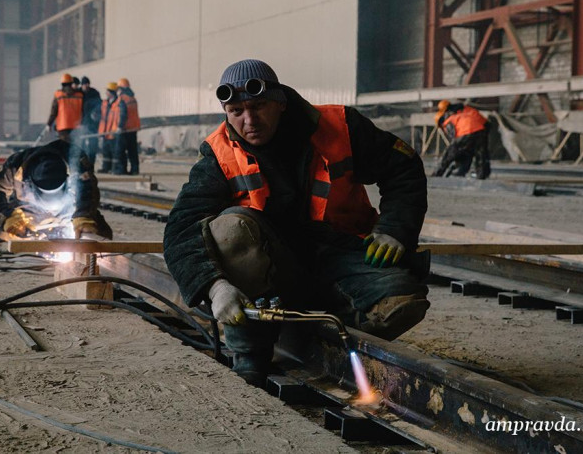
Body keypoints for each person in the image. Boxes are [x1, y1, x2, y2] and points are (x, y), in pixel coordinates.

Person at [162, 59, 430, 385]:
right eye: (236, 111)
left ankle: (319, 326)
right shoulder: (219, 154)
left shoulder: (340, 126)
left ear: (281, 102)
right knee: (230, 230)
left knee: (402, 302)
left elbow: (403, 167)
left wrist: (394, 230)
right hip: (273, 264)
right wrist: (215, 287)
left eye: (258, 107)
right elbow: (181, 228)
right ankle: (250, 353)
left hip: (339, 249)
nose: (249, 120)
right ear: (226, 113)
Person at [0, 138, 112, 241]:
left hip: (67, 212)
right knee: (1, 230)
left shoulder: (76, 163)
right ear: (30, 182)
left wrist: (83, 216)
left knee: (101, 232)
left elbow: (88, 190)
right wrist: (8, 216)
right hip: (30, 213)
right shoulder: (16, 166)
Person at [433, 100, 491, 179]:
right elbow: (486, 123)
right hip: (481, 130)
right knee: (480, 154)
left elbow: (454, 141)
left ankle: (437, 174)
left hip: (466, 131)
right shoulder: (464, 110)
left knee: (450, 153)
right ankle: (482, 175)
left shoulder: (448, 121)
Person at [112, 77, 140, 175]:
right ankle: (135, 169)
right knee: (132, 151)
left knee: (120, 151)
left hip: (124, 129)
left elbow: (123, 114)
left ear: (121, 89)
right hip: (133, 129)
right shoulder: (132, 98)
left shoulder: (122, 99)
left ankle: (121, 170)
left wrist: (119, 126)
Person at [46, 74, 83, 142]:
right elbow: (83, 111)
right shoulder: (80, 96)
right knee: (74, 146)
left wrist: (49, 124)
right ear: (71, 83)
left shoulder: (58, 94)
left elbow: (54, 111)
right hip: (76, 127)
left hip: (62, 126)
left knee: (64, 145)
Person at [97, 82, 119, 174]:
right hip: (104, 132)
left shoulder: (118, 103)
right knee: (105, 152)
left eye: (107, 91)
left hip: (112, 132)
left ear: (112, 92)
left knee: (113, 152)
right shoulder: (105, 103)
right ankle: (105, 168)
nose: (106, 93)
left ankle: (114, 169)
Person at [80, 76, 101, 166]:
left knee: (93, 145)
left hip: (93, 124)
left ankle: (91, 164)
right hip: (82, 124)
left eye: (88, 84)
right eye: (85, 84)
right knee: (81, 146)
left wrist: (96, 113)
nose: (87, 85)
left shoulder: (94, 93)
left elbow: (100, 105)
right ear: (81, 85)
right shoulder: (78, 94)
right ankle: (83, 165)